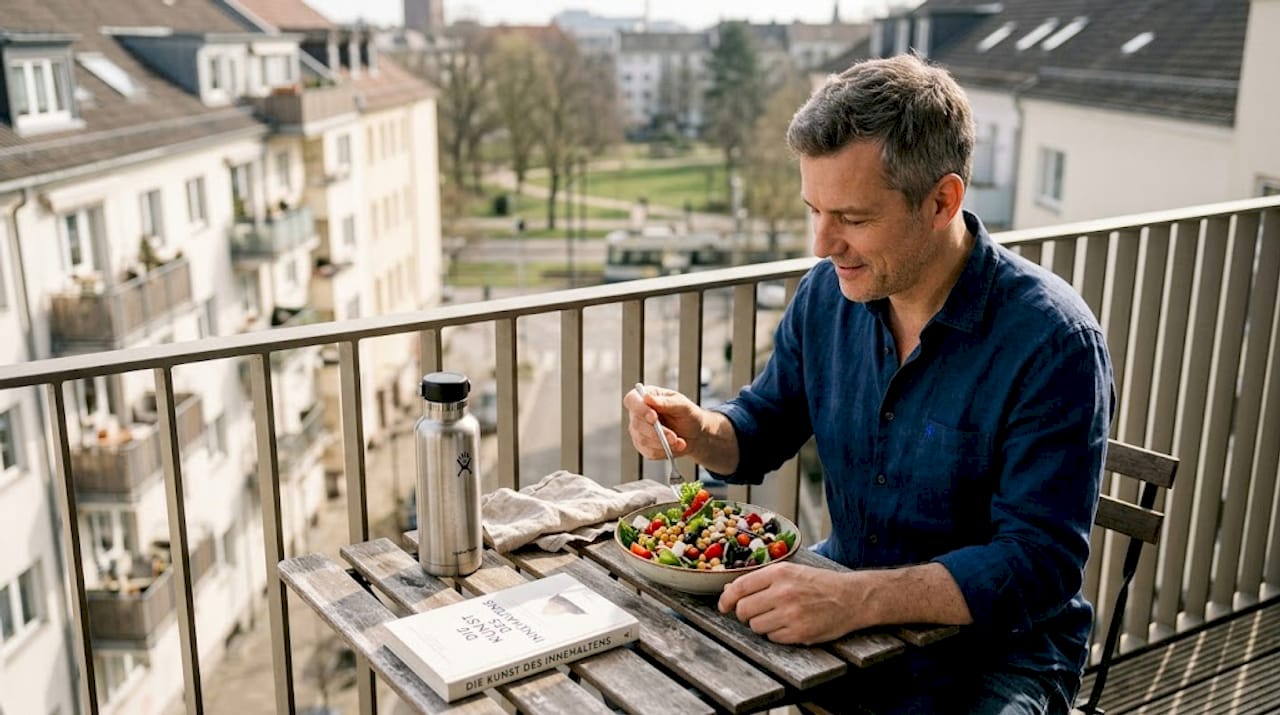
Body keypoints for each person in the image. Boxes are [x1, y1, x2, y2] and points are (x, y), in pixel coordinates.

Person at [623, 54, 1112, 714]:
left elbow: (1039, 564)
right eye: (813, 210)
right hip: (844, 611)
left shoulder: (1052, 343)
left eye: (852, 217)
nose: (823, 244)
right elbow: (761, 428)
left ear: (942, 201)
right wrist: (697, 427)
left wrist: (858, 597)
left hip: (998, 654)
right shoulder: (827, 295)